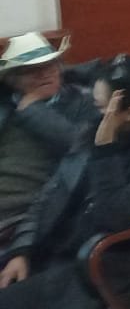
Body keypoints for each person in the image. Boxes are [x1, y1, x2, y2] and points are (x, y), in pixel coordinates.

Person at [0, 56, 130, 309]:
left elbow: (114, 217)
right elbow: (48, 196)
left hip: (98, 263)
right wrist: (21, 251)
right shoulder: (92, 132)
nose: (94, 113)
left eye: (100, 107)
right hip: (52, 248)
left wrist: (105, 152)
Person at [0, 34, 97, 245]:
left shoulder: (83, 102)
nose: (44, 74)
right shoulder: (5, 104)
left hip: (26, 210)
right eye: (32, 70)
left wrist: (33, 110)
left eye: (49, 65)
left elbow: (78, 146)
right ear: (13, 79)